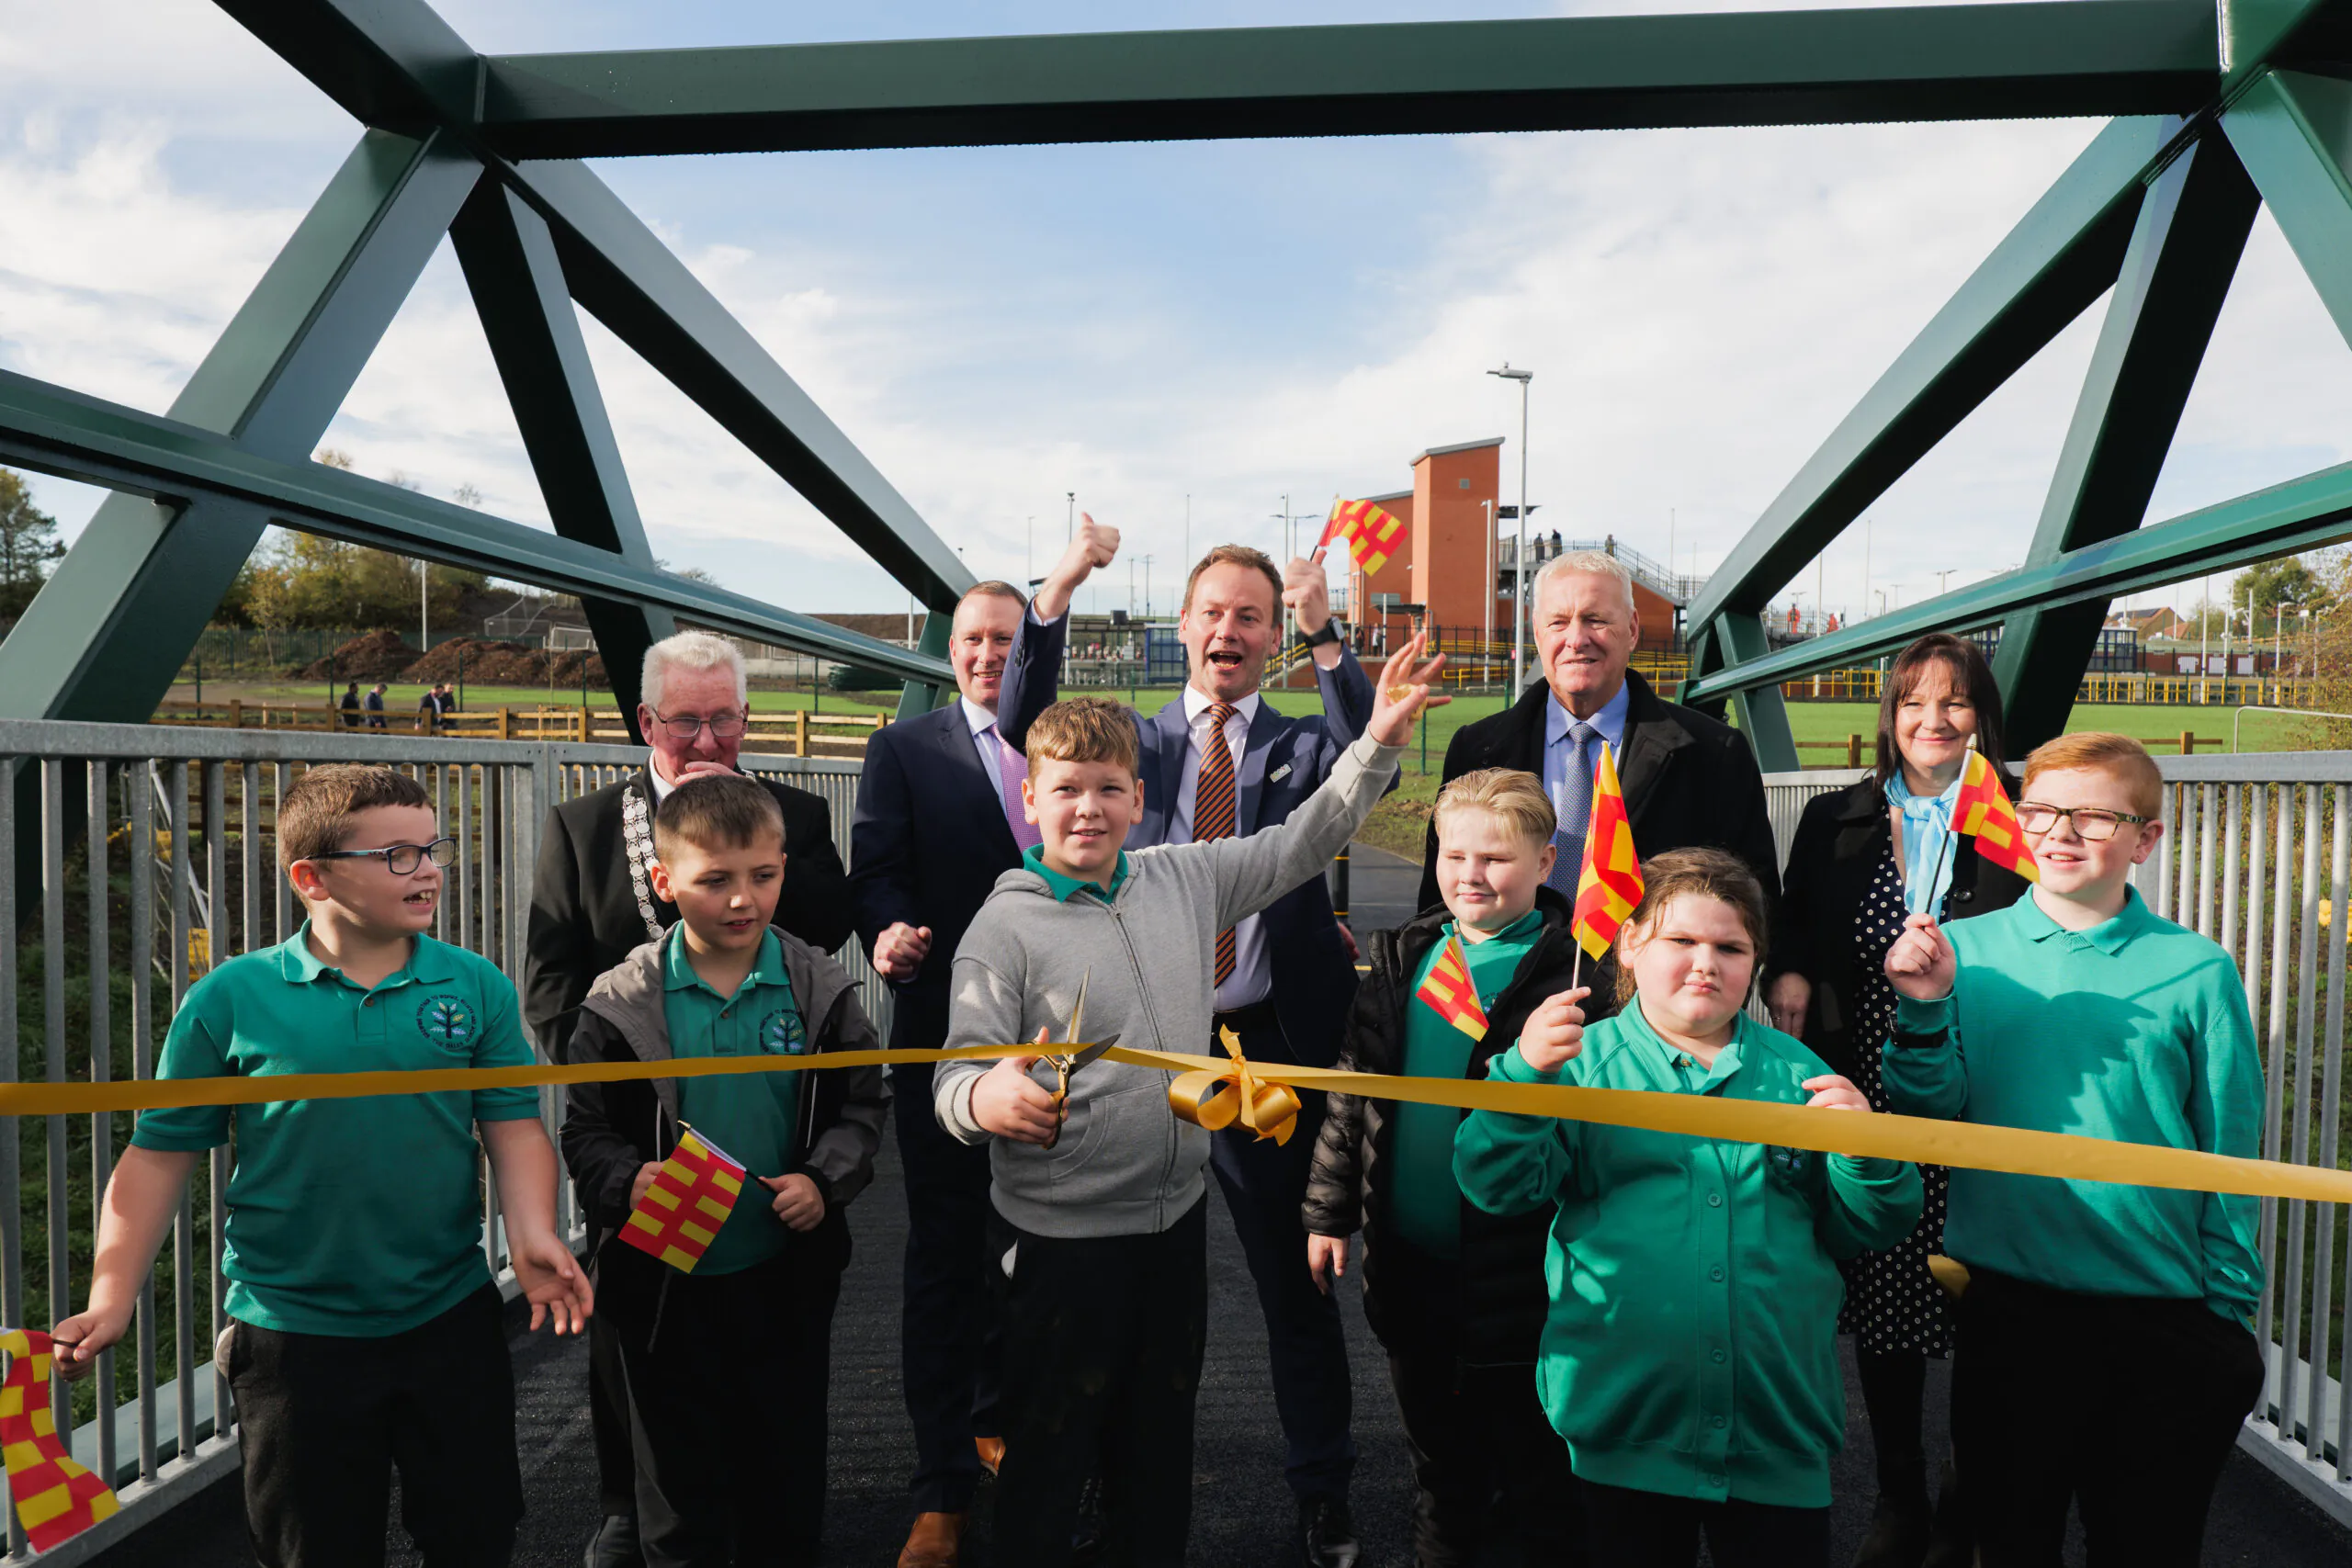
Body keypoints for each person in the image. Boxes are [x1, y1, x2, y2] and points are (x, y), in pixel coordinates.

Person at [938, 643, 1441, 1568]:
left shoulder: (1185, 876)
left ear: (1137, 799)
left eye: (1107, 789)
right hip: (1056, 1245)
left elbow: (1301, 840)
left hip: (1170, 1230)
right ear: (1030, 802)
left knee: (1157, 1451)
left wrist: (1372, 741)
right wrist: (986, 1095)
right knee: (1048, 1461)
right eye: (1066, 790)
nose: (1086, 808)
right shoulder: (1000, 929)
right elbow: (953, 1080)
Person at [53, 764, 592, 1568]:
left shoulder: (473, 986)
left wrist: (535, 1234)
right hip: (292, 1339)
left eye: (433, 848)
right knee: (315, 1548)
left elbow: (511, 1126)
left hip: (447, 1317)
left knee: (475, 1534)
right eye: (398, 855)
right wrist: (111, 1295)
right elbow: (159, 1153)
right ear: (311, 876)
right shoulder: (232, 997)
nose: (430, 869)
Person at [998, 536, 1378, 1564]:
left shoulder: (1300, 741)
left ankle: (1322, 1487)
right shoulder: (1132, 742)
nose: (1230, 631)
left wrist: (1323, 628)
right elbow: (1017, 723)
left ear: (1272, 637)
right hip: (1128, 1048)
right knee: (1105, 1287)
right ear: (1181, 626)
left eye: (1253, 617)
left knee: (1292, 1281)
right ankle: (1094, 1477)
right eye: (1213, 612)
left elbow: (1366, 753)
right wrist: (1059, 595)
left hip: (1263, 1047)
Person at [1455, 848, 1921, 1568]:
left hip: (1777, 1426)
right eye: (1682, 940)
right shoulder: (1576, 1062)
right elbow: (1497, 1183)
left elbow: (1863, 1226)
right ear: (1631, 944)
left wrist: (1867, 1153)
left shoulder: (1802, 1073)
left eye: (1730, 947)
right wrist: (1520, 1079)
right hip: (1623, 1426)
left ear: (1756, 961)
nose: (1706, 962)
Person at [1880, 733, 2265, 1568]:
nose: (2062, 831)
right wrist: (1920, 1009)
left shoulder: (2199, 970)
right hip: (2013, 1310)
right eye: (2044, 810)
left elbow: (2233, 1140)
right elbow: (1925, 1114)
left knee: (2148, 1545)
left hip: (2165, 1313)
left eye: (2095, 815)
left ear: (2146, 838)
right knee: (2014, 1541)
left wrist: (2226, 1309)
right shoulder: (1962, 952)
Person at [524, 628, 851, 1568]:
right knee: (637, 1331)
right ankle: (630, 1496)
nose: (707, 741)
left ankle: (759, 1505)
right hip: (638, 1136)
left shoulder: (795, 813)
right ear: (646, 722)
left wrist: (741, 885)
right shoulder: (583, 826)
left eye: (724, 719)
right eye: (686, 722)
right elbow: (550, 982)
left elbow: (832, 924)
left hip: (764, 1123)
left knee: (768, 1338)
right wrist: (610, 1093)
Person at [849, 527, 1115, 1568]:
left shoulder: (1071, 758)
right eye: (972, 638)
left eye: (1007, 637)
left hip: (1069, 1043)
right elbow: (878, 870)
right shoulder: (904, 750)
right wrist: (888, 927)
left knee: (1056, 1259)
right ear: (946, 648)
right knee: (945, 1259)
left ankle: (1036, 1446)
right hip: (946, 1042)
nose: (989, 654)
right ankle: (940, 1483)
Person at [560, 775, 889, 1568]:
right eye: (714, 880)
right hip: (661, 1287)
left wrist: (823, 1178)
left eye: (763, 876)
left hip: (783, 1277)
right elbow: (586, 1129)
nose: (743, 900)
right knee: (676, 1492)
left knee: (783, 1479)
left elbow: (862, 1108)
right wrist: (625, 1180)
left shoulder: (823, 990)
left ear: (782, 865)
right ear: (664, 882)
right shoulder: (618, 1003)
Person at [1763, 633, 2027, 1568]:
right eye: (1914, 702)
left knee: (1984, 1294)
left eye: (1954, 703)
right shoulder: (1838, 817)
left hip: (1987, 1091)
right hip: (1871, 1084)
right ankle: (1900, 1494)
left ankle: (1966, 1498)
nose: (1933, 721)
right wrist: (1790, 969)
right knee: (1885, 1295)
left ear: (1980, 716)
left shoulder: (2017, 820)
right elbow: (1792, 916)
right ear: (1889, 716)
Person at [1304, 768, 1583, 1567]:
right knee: (1440, 1476)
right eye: (1452, 854)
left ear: (1546, 860)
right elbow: (1353, 1094)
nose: (1469, 874)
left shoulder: (1575, 976)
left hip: (1525, 1279)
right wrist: (1327, 1211)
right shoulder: (1406, 956)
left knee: (1540, 1481)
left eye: (1495, 858)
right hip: (1411, 1266)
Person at [1420, 550, 1781, 1016]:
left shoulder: (1713, 752)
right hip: (1500, 1006)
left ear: (1632, 629)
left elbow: (1754, 893)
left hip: (1649, 1018)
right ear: (1536, 633)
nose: (1576, 639)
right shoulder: (1477, 748)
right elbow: (1437, 897)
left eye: (1595, 619)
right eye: (1558, 622)